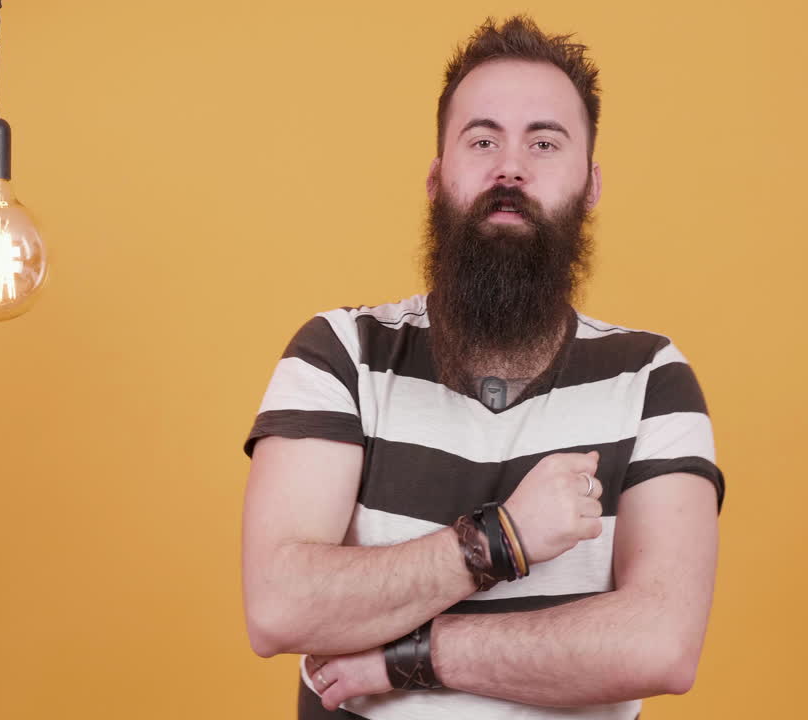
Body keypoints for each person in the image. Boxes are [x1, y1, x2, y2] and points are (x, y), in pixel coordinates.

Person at [240, 15, 724, 720]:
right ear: (438, 178)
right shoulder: (341, 354)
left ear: (590, 187)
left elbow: (661, 644)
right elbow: (280, 604)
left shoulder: (651, 379)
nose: (511, 168)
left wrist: (412, 658)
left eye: (544, 142)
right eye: (483, 139)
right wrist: (500, 540)